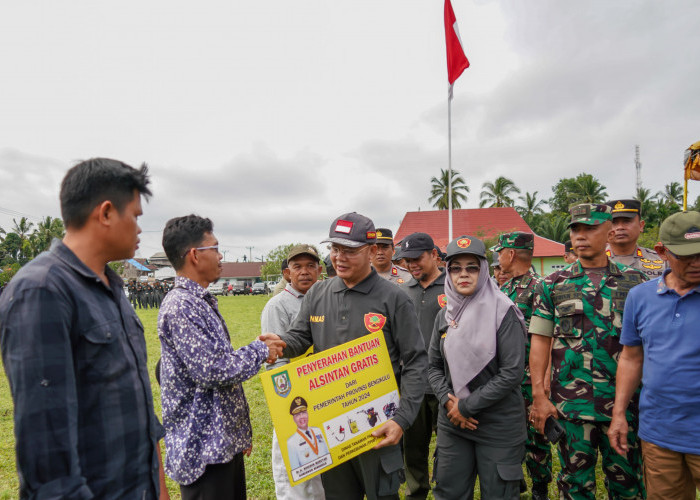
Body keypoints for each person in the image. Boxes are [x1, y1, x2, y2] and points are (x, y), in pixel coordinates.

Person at [0, 158, 168, 499]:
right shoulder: (42, 290)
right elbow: (48, 462)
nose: (139, 228)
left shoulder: (113, 288)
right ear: (105, 213)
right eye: (135, 216)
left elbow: (140, 415)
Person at [262, 212, 428, 500]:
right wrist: (281, 343)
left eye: (349, 250)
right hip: (332, 425)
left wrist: (401, 419)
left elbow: (415, 361)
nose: (339, 257)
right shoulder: (319, 293)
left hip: (378, 424)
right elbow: (300, 337)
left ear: (372, 251)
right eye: (335, 249)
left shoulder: (394, 298)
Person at [158, 215, 284, 500]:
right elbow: (213, 370)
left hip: (221, 446)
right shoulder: (181, 306)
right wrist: (261, 350)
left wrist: (240, 433)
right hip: (203, 452)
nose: (220, 255)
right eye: (214, 248)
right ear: (194, 255)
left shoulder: (199, 301)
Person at [529, 203, 647, 500]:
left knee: (627, 483)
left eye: (590, 228)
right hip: (572, 406)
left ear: (609, 232)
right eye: (575, 229)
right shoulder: (552, 285)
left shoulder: (637, 284)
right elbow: (540, 342)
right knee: (575, 484)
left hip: (623, 405)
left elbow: (645, 347)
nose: (580, 236)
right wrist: (539, 398)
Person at [608, 211, 700, 499]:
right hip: (660, 432)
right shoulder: (641, 296)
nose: (697, 263)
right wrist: (619, 413)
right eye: (686, 256)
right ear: (662, 251)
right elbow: (631, 357)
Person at [428, 235, 527, 499]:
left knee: (499, 493)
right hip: (453, 424)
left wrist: (465, 406)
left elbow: (512, 373)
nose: (464, 274)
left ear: (483, 269)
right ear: (447, 273)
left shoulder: (503, 311)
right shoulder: (444, 314)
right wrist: (449, 403)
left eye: (472, 267)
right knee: (449, 491)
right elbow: (433, 367)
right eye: (456, 268)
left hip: (498, 423)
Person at [260, 244, 325, 499]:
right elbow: (275, 361)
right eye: (298, 267)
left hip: (322, 392)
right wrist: (286, 402)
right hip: (294, 399)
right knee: (293, 468)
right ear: (288, 273)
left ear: (319, 270)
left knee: (320, 465)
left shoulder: (323, 300)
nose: (305, 272)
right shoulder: (278, 305)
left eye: (310, 266)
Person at [493, 231, 551, 499]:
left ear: (511, 253)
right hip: (504, 377)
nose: (498, 257)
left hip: (529, 378)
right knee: (507, 434)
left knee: (536, 437)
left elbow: (547, 337)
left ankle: (540, 487)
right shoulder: (501, 289)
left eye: (500, 252)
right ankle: (513, 483)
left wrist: (544, 382)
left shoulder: (540, 287)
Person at [400, 232, 446, 500]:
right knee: (413, 448)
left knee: (448, 447)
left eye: (417, 258)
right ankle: (416, 492)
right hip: (413, 386)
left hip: (445, 384)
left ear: (434, 255)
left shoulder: (454, 287)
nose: (412, 265)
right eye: (407, 261)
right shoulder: (402, 292)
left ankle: (445, 490)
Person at [606, 199, 665, 279]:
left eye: (626, 221)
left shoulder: (661, 260)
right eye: (614, 222)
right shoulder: (593, 260)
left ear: (641, 225)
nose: (620, 227)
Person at [286, 397, 331, 471]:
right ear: (293, 419)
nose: (302, 417)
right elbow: (296, 470)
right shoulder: (291, 443)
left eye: (304, 413)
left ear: (307, 414)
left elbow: (327, 452)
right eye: (297, 415)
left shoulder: (318, 431)